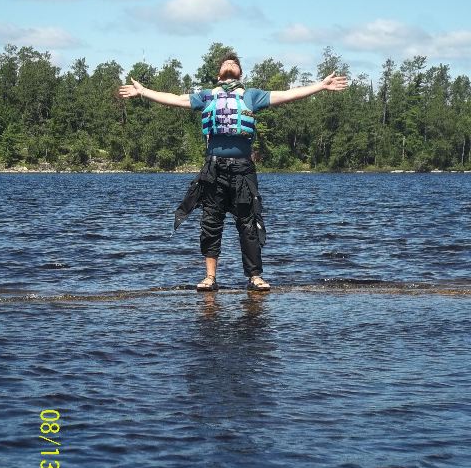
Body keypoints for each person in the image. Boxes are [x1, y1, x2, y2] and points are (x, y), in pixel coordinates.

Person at [118, 52, 347, 292]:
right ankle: (210, 278)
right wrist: (143, 91)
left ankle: (255, 277)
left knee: (248, 223)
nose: (230, 64)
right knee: (210, 222)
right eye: (226, 63)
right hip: (214, 169)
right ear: (218, 74)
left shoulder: (252, 96)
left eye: (234, 63)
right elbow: (175, 99)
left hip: (242, 170)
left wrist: (320, 86)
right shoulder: (206, 96)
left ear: (240, 74)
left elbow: (287, 94)